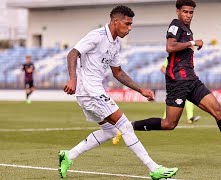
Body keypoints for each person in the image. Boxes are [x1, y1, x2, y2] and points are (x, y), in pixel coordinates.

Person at [114, 0, 221, 164]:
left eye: (191, 12)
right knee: (169, 124)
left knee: (218, 111)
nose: (188, 15)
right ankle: (129, 126)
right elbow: (170, 47)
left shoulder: (186, 29)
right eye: (185, 12)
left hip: (192, 80)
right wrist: (193, 42)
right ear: (178, 11)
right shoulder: (175, 25)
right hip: (177, 82)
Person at [60, 5, 178, 179]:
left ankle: (68, 156)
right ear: (116, 21)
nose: (129, 28)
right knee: (125, 126)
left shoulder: (115, 44)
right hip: (90, 92)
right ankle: (154, 169)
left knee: (111, 131)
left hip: (92, 92)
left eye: (131, 25)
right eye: (127, 24)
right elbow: (72, 54)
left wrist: (140, 90)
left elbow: (118, 73)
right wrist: (72, 79)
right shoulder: (97, 36)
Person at [160, 59, 201, 124]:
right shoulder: (172, 57)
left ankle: (190, 117)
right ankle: (165, 118)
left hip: (183, 82)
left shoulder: (184, 58)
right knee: (172, 101)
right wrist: (171, 76)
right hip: (175, 83)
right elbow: (162, 68)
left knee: (189, 98)